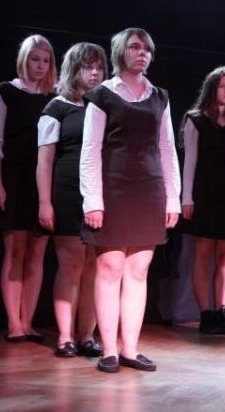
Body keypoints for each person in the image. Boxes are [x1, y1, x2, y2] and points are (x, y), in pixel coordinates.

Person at [80, 28, 181, 373]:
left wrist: (173, 198)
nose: (143, 53)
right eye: (135, 47)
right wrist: (93, 200)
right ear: (121, 51)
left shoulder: (160, 97)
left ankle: (131, 349)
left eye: (147, 49)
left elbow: (167, 148)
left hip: (149, 190)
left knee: (138, 270)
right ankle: (109, 349)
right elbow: (90, 150)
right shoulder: (102, 95)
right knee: (110, 267)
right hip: (113, 189)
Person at [36, 43, 107, 357]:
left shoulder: (104, 106)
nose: (94, 73)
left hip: (98, 196)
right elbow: (44, 160)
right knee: (72, 263)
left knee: (94, 266)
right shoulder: (58, 107)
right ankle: (65, 336)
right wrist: (45, 202)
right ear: (74, 69)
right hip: (66, 193)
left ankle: (86, 335)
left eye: (99, 67)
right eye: (88, 66)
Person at [0, 34, 57, 342]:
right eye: (35, 59)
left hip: (43, 182)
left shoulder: (54, 98)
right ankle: (13, 324)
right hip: (13, 178)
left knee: (37, 253)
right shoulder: (5, 92)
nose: (40, 66)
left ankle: (28, 323)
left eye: (45, 61)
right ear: (24, 60)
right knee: (15, 251)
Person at [180, 66, 225, 335]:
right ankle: (205, 314)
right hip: (205, 192)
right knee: (203, 254)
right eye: (222, 86)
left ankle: (220, 312)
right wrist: (187, 198)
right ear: (212, 88)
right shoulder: (196, 120)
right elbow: (190, 161)